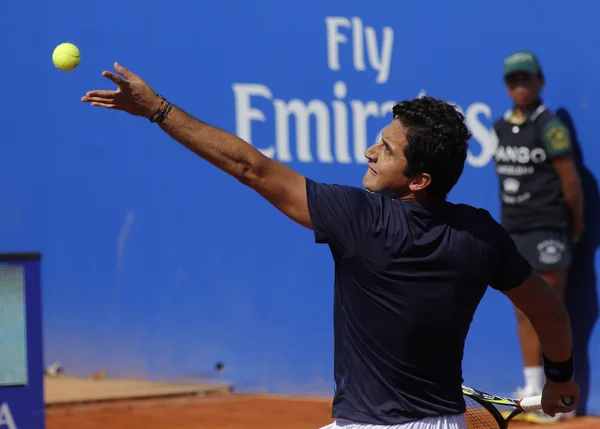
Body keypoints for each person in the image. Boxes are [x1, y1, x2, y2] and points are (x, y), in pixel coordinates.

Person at [81, 63, 579, 429]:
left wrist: (157, 109)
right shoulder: (482, 234)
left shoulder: (359, 218)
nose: (370, 151)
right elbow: (551, 314)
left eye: (386, 150)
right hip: (446, 422)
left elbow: (248, 166)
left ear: (419, 179)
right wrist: (559, 378)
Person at [493, 51, 585, 423]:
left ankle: (558, 399)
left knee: (549, 311)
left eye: (526, 79)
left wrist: (574, 226)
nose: (520, 86)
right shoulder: (500, 126)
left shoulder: (550, 127)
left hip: (548, 228)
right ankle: (533, 393)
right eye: (513, 80)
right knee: (522, 311)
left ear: (540, 82)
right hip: (513, 229)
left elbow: (571, 181)